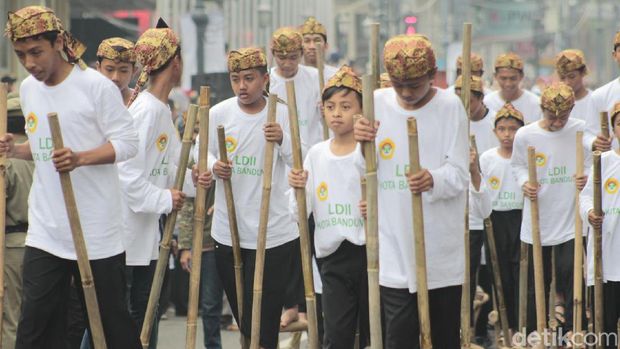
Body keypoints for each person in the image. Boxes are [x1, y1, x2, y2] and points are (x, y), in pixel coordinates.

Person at [2, 5, 140, 348]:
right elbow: (44, 147)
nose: (30, 63)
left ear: (58, 43)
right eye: (21, 55)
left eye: (37, 52)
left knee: (111, 328)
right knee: (34, 329)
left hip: (95, 230)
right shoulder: (29, 90)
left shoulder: (95, 87)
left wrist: (81, 158)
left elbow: (127, 143)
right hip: (46, 230)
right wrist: (16, 150)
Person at [354, 34, 469, 349]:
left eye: (414, 85)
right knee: (398, 336)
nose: (405, 93)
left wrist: (432, 179)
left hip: (438, 247)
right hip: (392, 243)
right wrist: (360, 142)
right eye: (398, 84)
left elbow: (459, 173)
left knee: (444, 337)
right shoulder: (375, 101)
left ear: (432, 76)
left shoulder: (450, 106)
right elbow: (362, 169)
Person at [195, 47, 301, 349]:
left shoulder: (281, 112)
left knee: (265, 319)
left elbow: (300, 161)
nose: (242, 86)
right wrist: (213, 166)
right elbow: (200, 153)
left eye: (250, 79)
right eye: (236, 79)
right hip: (230, 231)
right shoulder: (219, 113)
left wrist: (282, 139)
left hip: (273, 233)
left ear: (265, 79)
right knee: (244, 316)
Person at [118, 20, 196, 349]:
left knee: (145, 313)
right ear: (175, 62)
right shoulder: (146, 112)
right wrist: (165, 198)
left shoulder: (162, 109)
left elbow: (175, 166)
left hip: (149, 230)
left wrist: (202, 176)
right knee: (128, 318)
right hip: (127, 232)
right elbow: (126, 175)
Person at [288, 65, 368, 349]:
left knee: (373, 332)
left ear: (361, 109)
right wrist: (296, 188)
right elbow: (298, 210)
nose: (337, 113)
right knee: (336, 333)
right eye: (331, 106)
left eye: (346, 106)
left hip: (369, 253)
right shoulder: (316, 154)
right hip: (331, 256)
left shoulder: (368, 150)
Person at [511, 82, 589, 341]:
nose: (557, 122)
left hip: (570, 216)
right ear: (541, 109)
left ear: (572, 110)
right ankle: (538, 331)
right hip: (539, 216)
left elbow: (589, 161)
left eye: (562, 116)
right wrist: (525, 183)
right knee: (538, 280)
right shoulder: (525, 135)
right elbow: (518, 166)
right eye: (551, 116)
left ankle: (570, 331)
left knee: (570, 273)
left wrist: (584, 178)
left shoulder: (579, 129)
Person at [454, 74, 498, 344]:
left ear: (481, 99)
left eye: (468, 102)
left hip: (487, 204)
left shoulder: (495, 124)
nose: (463, 108)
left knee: (487, 271)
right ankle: (463, 329)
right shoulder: (449, 120)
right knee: (463, 273)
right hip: (458, 210)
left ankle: (481, 330)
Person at [480, 103, 526, 332]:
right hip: (495, 219)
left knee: (521, 272)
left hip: (520, 218)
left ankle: (522, 325)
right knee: (501, 273)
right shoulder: (487, 159)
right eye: (502, 129)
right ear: (495, 131)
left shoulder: (527, 157)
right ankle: (505, 324)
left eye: (513, 129)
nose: (507, 134)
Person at [179, 119, 223, 349]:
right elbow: (186, 206)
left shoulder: (220, 155)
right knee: (205, 304)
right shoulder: (189, 161)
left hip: (223, 237)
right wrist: (186, 246)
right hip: (201, 243)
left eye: (201, 131)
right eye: (195, 131)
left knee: (216, 304)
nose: (198, 136)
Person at [581, 102, 620, 349]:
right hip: (607, 257)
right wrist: (590, 212)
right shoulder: (602, 162)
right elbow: (585, 197)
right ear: (614, 128)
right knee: (605, 327)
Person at [2, 96, 34, 349]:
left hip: (11, 246)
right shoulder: (41, 152)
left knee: (12, 317)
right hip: (40, 244)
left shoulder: (8, 160)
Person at [269, 27, 322, 151]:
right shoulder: (266, 81)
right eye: (281, 58)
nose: (287, 64)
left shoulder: (314, 77)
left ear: (302, 54)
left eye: (293, 58)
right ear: (273, 54)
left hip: (310, 150)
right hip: (278, 152)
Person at [484, 53, 542, 124]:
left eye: (513, 78)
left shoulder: (536, 104)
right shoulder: (486, 103)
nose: (508, 83)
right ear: (495, 76)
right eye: (503, 78)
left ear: (521, 76)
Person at [591, 31, 620, 153]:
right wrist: (594, 141)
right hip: (612, 168)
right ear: (614, 55)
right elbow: (589, 132)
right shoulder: (600, 96)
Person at [95, 37, 137, 106]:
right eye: (109, 70)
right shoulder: (88, 101)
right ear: (98, 68)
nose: (115, 78)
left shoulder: (142, 105)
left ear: (134, 71)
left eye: (123, 71)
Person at [300, 16, 339, 81]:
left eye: (317, 40)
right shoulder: (293, 76)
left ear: (326, 46)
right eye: (307, 41)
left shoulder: (336, 76)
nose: (312, 46)